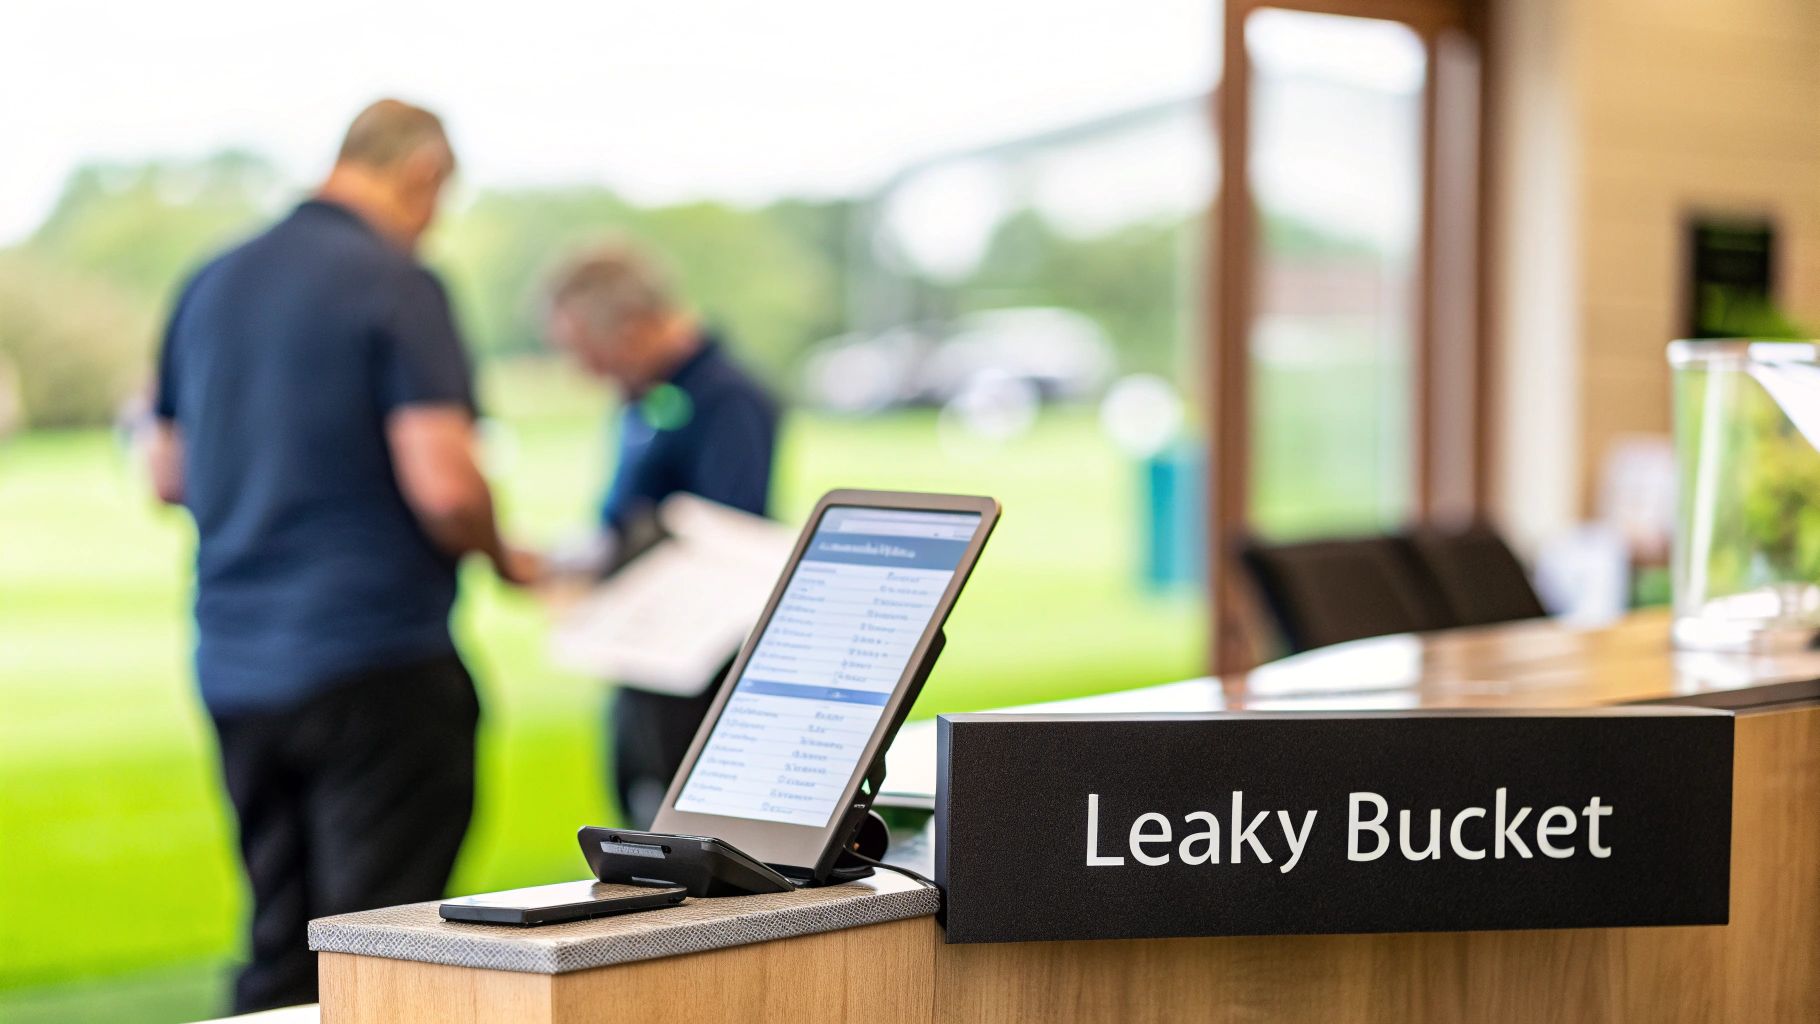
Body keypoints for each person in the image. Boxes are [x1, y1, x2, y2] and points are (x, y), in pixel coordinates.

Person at [146, 99, 535, 1013]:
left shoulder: (212, 281)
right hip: (373, 655)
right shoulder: (395, 282)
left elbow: (166, 474)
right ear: (420, 174)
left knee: (281, 940)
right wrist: (505, 557)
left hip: (237, 663)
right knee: (378, 948)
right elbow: (443, 484)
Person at [544, 243, 780, 826]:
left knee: (684, 830)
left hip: (701, 667)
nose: (587, 372)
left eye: (591, 351)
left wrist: (626, 551)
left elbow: (731, 534)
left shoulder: (727, 399)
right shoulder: (642, 398)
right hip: (641, 652)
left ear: (633, 324)